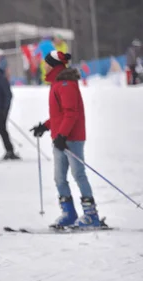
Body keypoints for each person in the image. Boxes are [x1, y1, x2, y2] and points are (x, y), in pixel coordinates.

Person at [31, 51, 101, 228]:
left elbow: (71, 113)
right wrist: (45, 126)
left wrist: (62, 135)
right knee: (59, 178)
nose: (44, 66)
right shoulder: (57, 83)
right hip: (60, 138)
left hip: (72, 138)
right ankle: (69, 213)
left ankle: (91, 215)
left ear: (54, 65)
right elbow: (59, 115)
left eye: (46, 63)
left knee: (78, 174)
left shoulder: (66, 84)